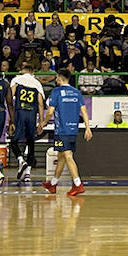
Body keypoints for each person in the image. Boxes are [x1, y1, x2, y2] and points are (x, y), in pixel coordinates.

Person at [40, 68, 91, 196]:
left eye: (57, 77)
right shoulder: (76, 92)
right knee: (61, 156)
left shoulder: (56, 92)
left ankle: (78, 184)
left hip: (62, 130)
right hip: (73, 129)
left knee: (67, 156)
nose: (56, 79)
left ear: (60, 78)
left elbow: (50, 112)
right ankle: (53, 184)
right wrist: (87, 128)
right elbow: (84, 111)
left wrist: (44, 122)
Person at [9, 61, 46, 184]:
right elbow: (40, 103)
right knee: (31, 143)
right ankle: (28, 173)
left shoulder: (17, 79)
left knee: (13, 141)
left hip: (20, 112)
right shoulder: (37, 83)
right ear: (33, 72)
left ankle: (21, 160)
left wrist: (11, 115)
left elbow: (10, 96)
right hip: (31, 113)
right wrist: (41, 121)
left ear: (24, 70)